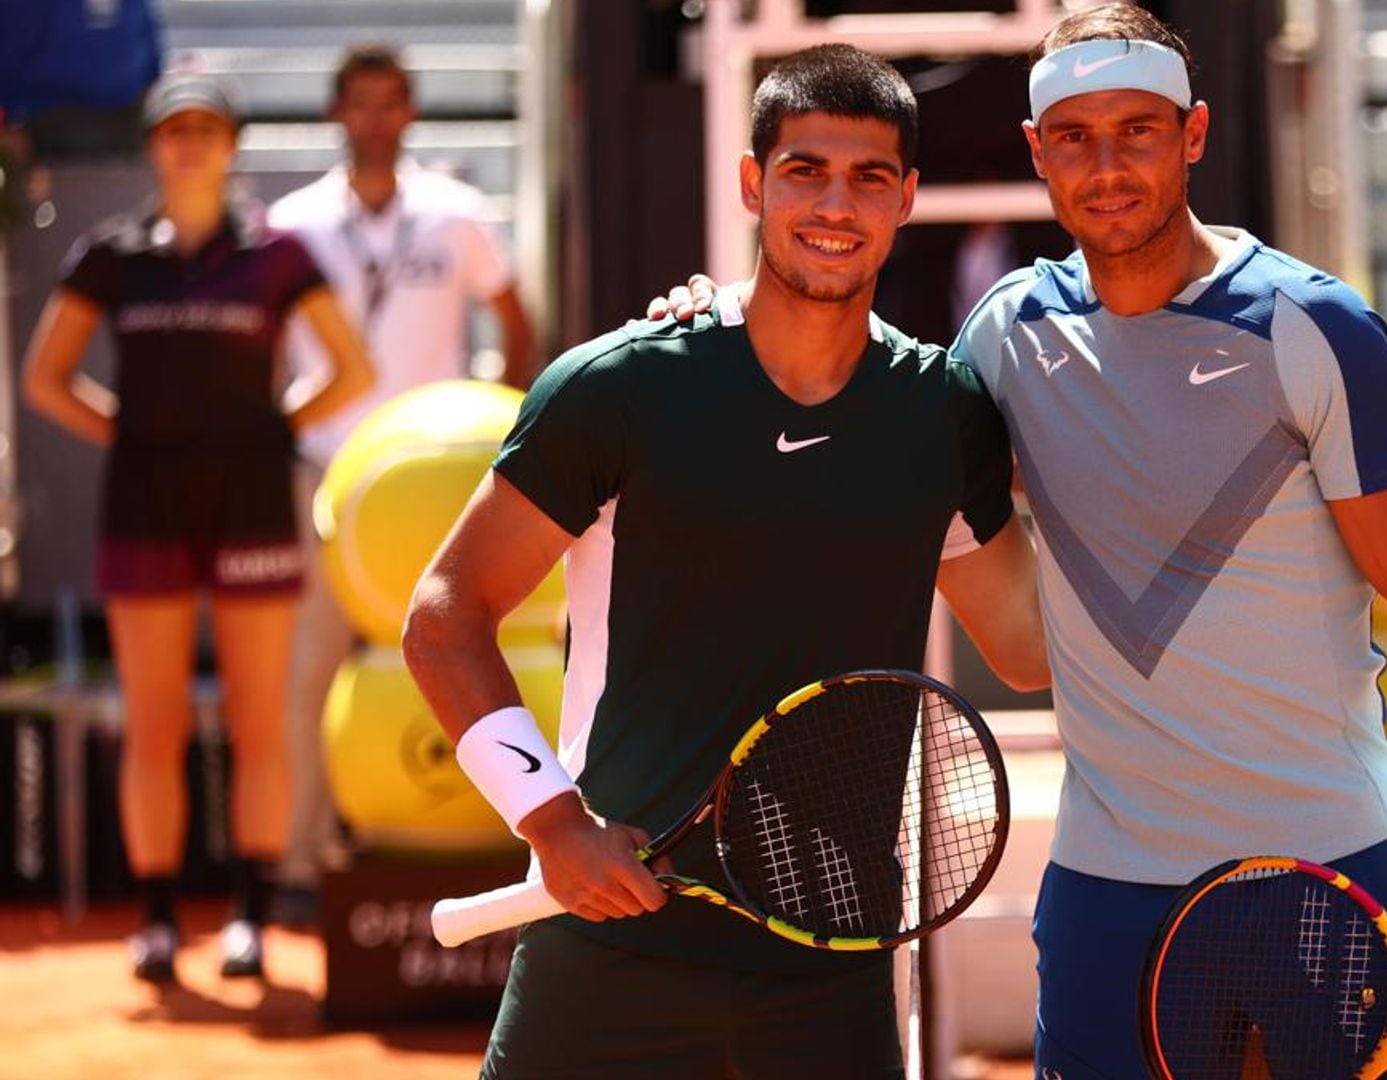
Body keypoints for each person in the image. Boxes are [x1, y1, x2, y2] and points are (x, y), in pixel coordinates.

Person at [656, 7, 1387, 1077]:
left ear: (1193, 134)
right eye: (1073, 136)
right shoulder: (1007, 339)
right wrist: (719, 319)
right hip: (1110, 890)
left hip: (1331, 868)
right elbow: (854, 402)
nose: (1106, 167)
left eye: (1138, 132)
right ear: (1036, 151)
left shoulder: (1316, 329)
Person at [400, 45, 1047, 1078]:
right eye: (805, 171)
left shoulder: (943, 414)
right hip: (605, 957)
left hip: (828, 964)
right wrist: (555, 823)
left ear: (908, 199)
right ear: (753, 183)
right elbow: (443, 615)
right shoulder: (619, 387)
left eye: (870, 178)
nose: (836, 204)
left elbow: (1027, 649)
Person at [20, 72, 375, 982]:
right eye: (173, 130)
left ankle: (250, 914)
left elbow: (352, 367)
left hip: (252, 496)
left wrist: (277, 427)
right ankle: (157, 919)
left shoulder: (277, 253)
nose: (189, 145)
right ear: (152, 145)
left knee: (258, 719)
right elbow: (44, 377)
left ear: (231, 145)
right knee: (156, 721)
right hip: (145, 501)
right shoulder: (111, 256)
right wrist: (131, 433)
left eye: (205, 130)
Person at [266, 43, 537, 915]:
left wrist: (495, 424)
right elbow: (268, 351)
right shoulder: (292, 221)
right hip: (329, 478)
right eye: (360, 103)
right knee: (313, 671)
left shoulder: (454, 213)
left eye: (390, 103)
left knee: (465, 656)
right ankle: (307, 862)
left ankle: (496, 840)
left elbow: (513, 319)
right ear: (335, 113)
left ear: (410, 112)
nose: (375, 120)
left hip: (439, 480)